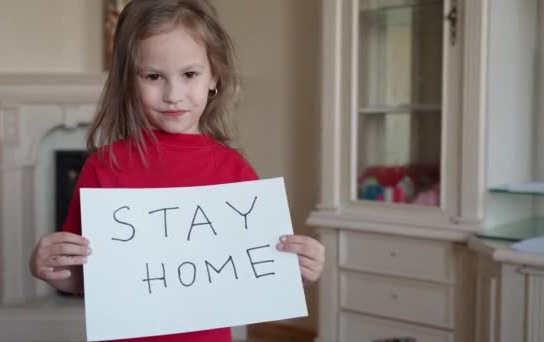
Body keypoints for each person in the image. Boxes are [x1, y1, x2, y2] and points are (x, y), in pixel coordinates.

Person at [29, 1, 325, 341]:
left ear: (214, 76)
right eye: (154, 76)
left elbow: (254, 274)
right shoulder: (104, 168)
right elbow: (88, 282)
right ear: (129, 81)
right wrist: (48, 270)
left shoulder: (233, 169)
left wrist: (298, 272)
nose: (173, 95)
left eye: (190, 74)